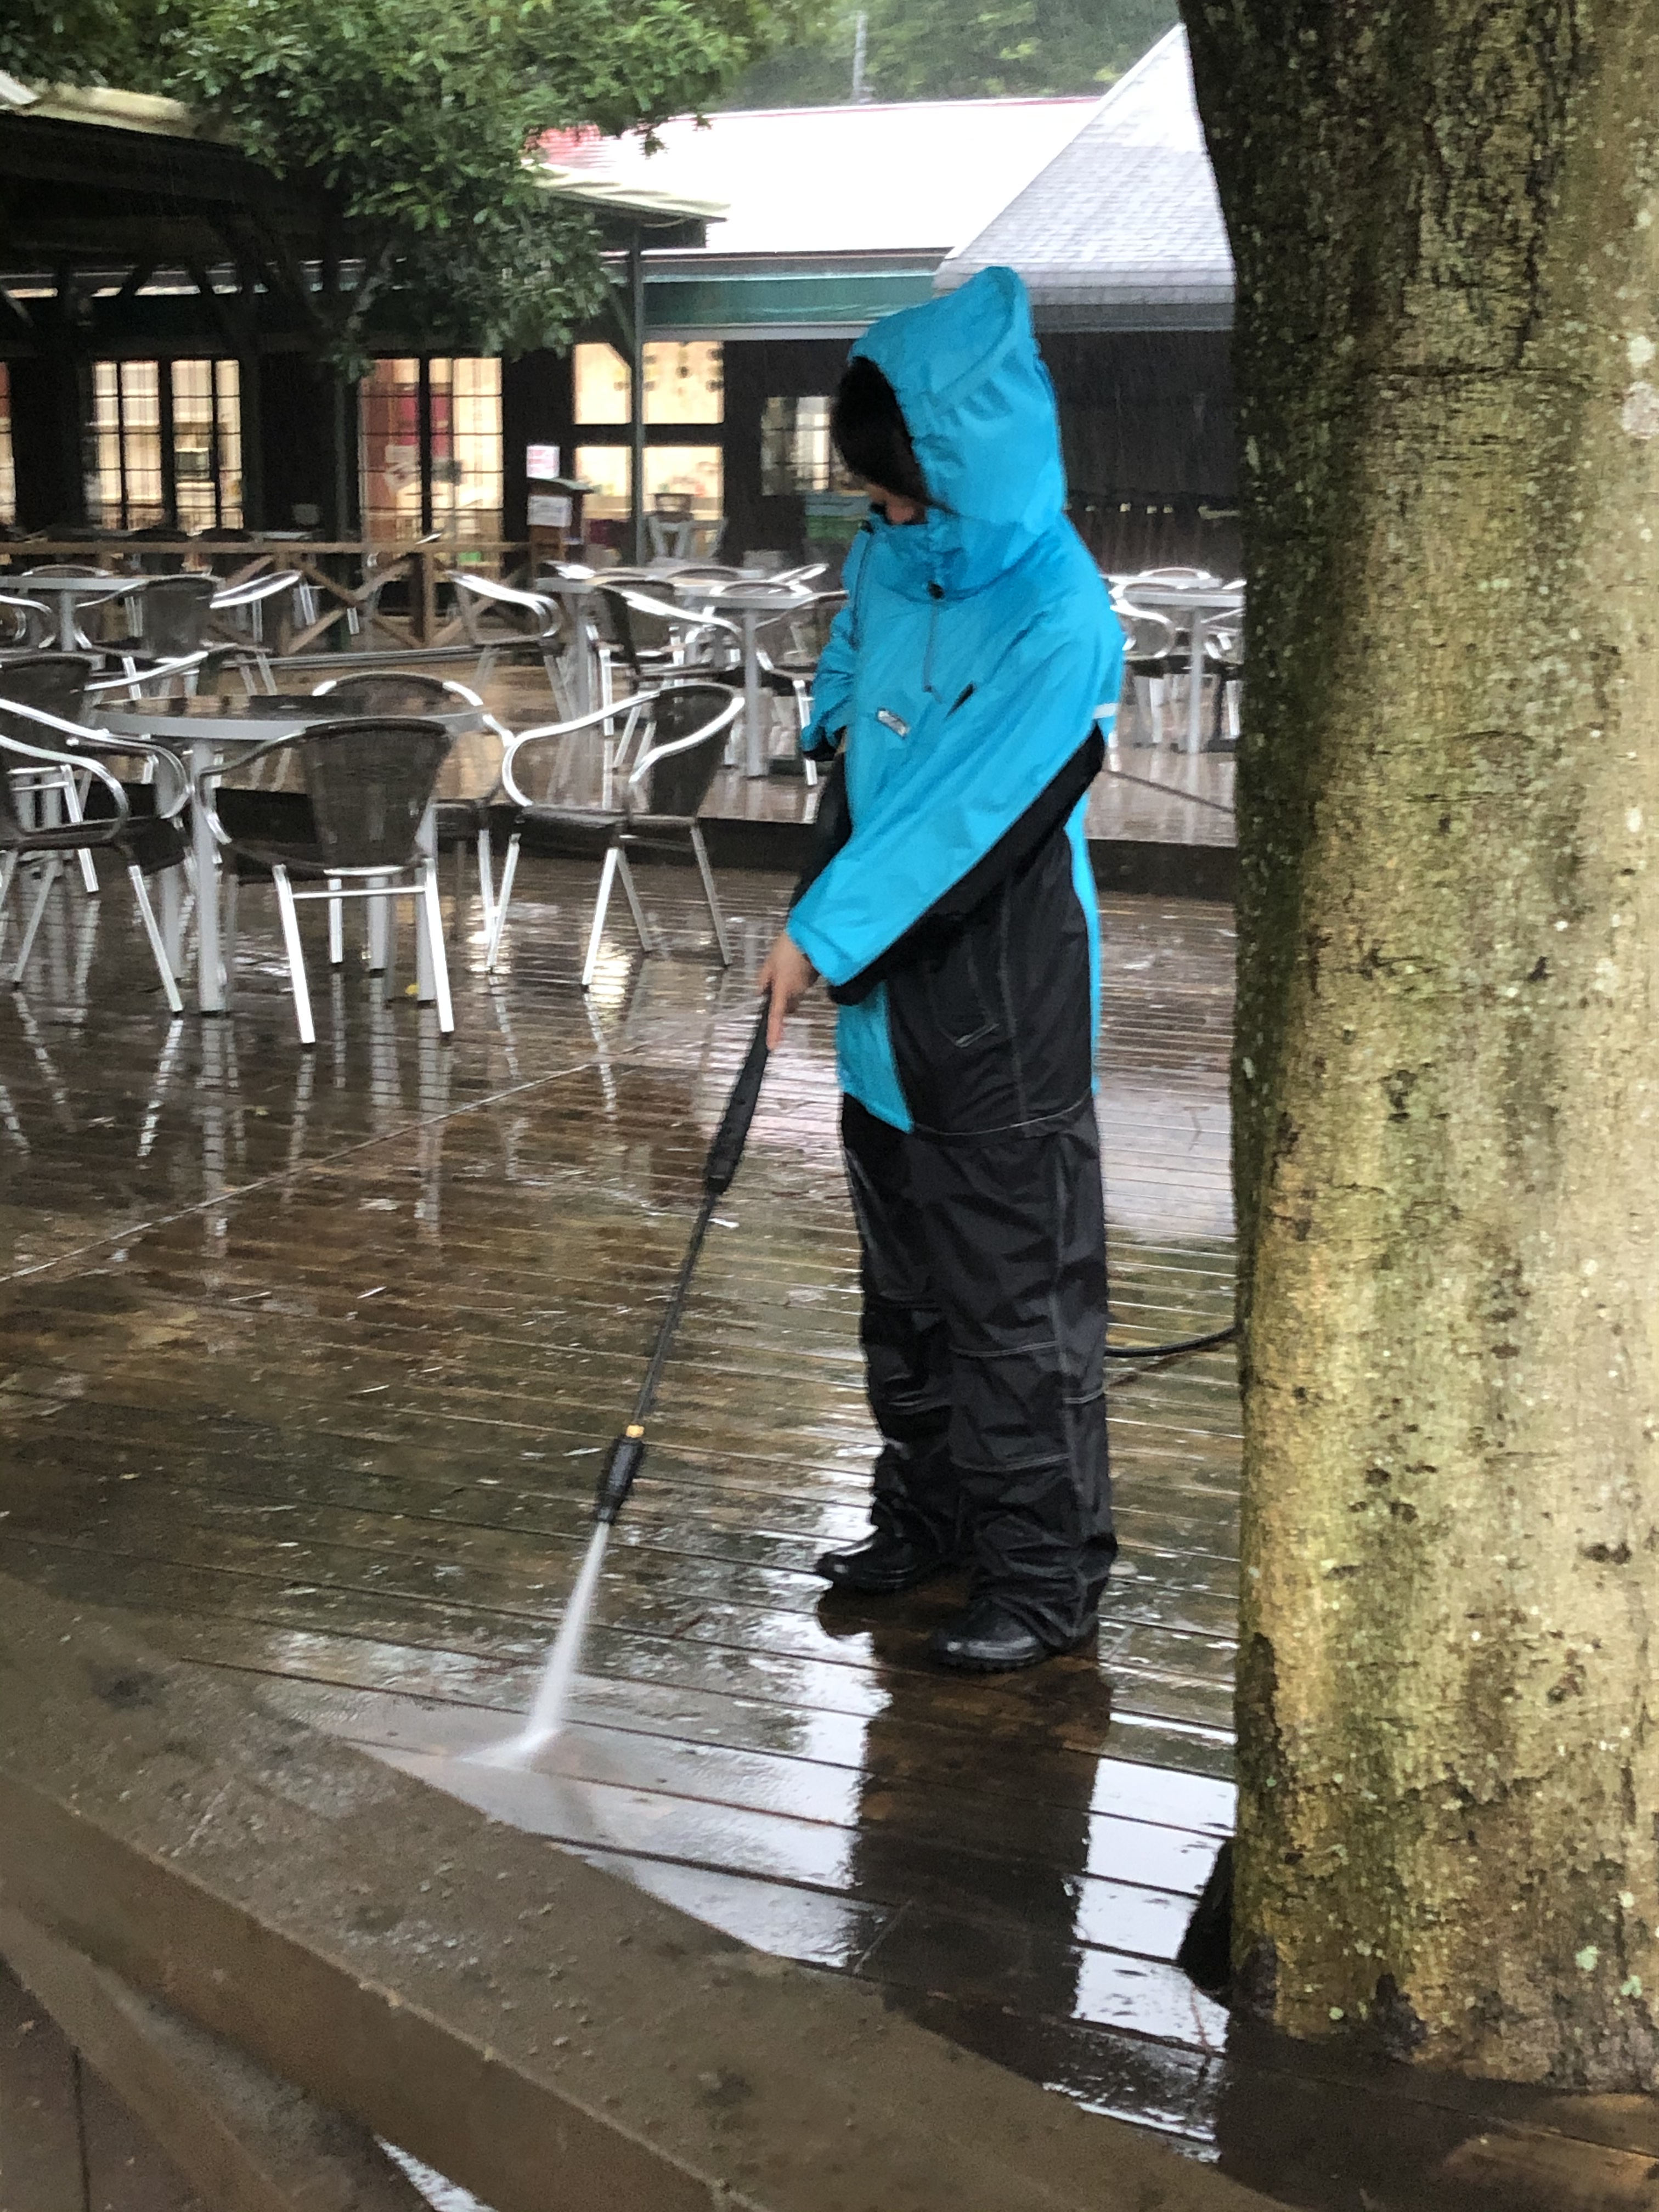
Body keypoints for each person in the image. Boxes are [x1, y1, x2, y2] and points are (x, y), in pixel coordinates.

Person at [756, 265, 1124, 1673]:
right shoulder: (891, 554)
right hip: (882, 1009)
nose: (889, 517)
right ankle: (930, 1523)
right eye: (875, 496)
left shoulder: (1062, 617)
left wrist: (817, 936)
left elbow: (968, 824)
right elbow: (858, 667)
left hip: (997, 1008)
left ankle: (1043, 1576)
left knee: (1014, 1316)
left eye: (905, 494)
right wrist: (837, 717)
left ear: (975, 467)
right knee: (906, 1301)